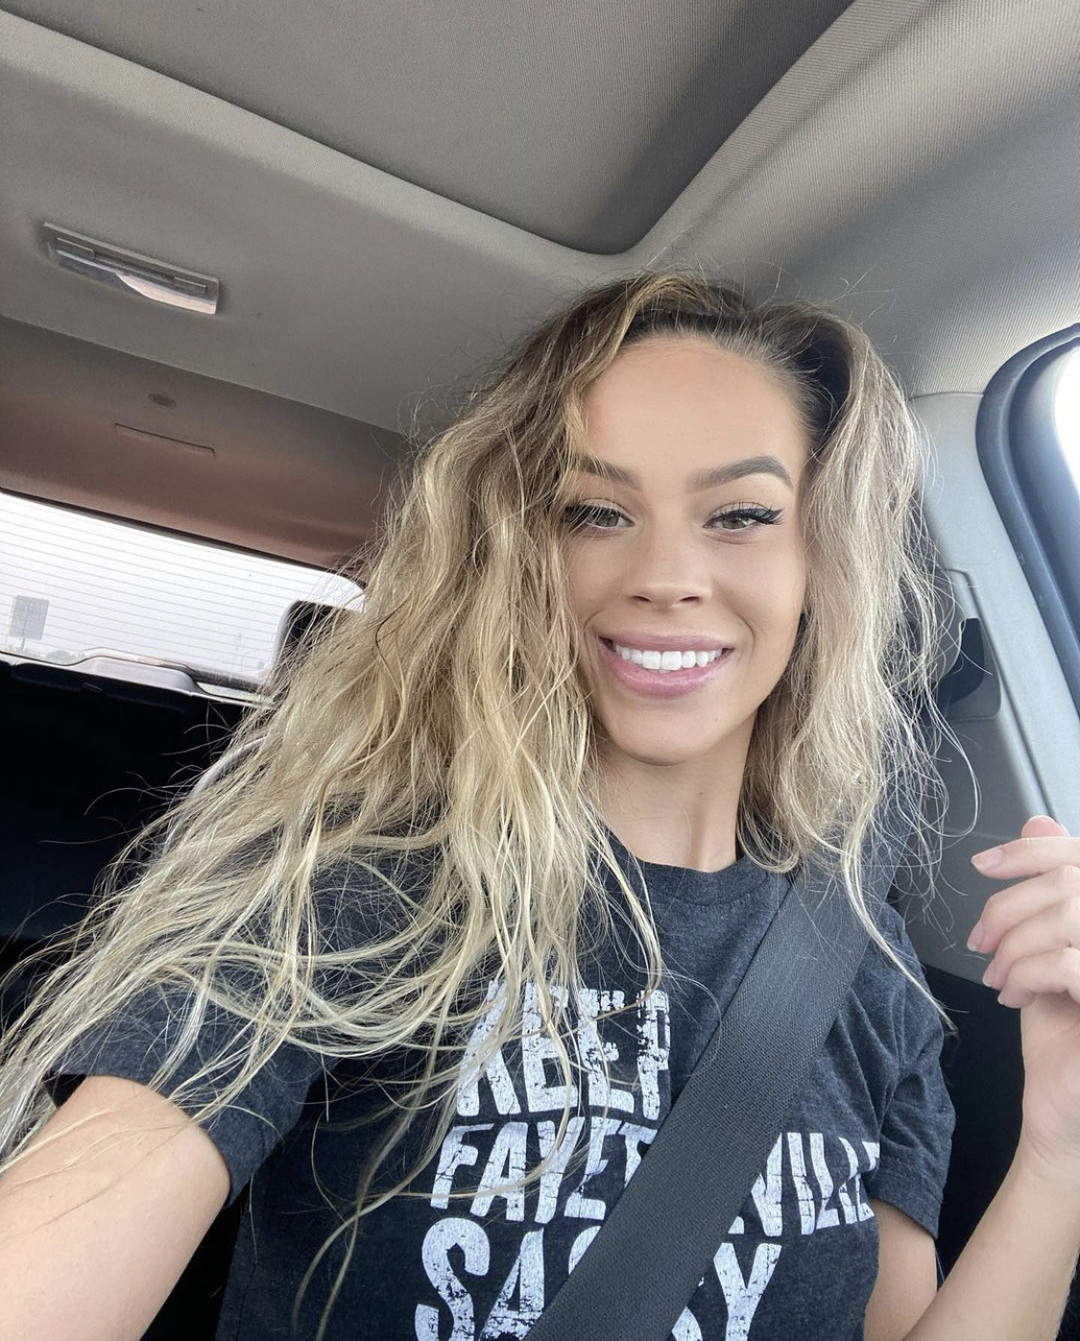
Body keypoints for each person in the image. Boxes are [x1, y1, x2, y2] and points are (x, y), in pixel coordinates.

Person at [0, 270, 1077, 1341]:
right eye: (595, 512)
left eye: (742, 514)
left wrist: (1059, 1155)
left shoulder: (866, 967)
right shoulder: (349, 887)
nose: (665, 574)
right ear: (518, 555)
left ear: (821, 565)